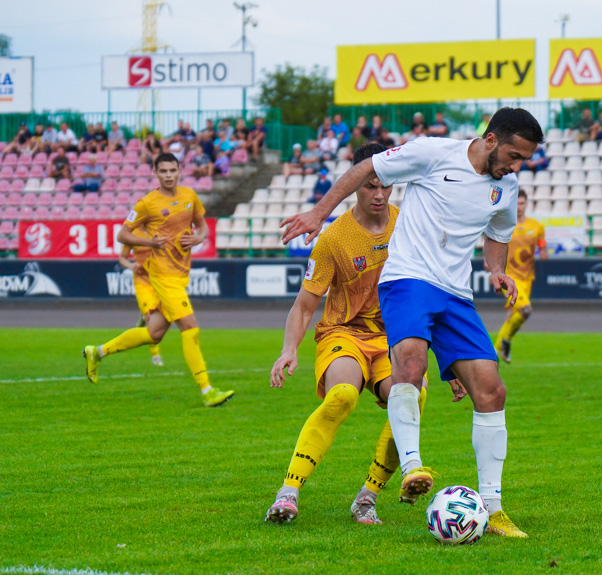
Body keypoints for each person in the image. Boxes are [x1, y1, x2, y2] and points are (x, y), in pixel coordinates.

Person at [280, 106, 545, 538]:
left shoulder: (507, 187)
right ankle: (412, 466)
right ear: (492, 140)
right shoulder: (433, 153)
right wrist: (319, 212)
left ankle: (494, 510)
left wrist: (496, 270)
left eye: (524, 160)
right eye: (515, 155)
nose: (517, 166)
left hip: (456, 292)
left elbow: (498, 235)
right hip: (409, 279)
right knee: (410, 365)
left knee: (492, 390)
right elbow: (366, 167)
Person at [266, 142, 436, 526]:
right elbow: (306, 304)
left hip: (391, 338)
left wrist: (451, 362)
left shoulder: (407, 224)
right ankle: (288, 492)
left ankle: (367, 496)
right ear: (355, 182)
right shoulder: (334, 238)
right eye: (369, 185)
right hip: (342, 333)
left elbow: (427, 293)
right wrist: (288, 349)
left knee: (412, 395)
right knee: (342, 395)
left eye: (385, 186)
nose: (378, 194)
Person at [82, 153, 234, 407]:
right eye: (163, 171)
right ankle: (207, 390)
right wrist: (148, 242)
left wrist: (199, 238)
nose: (168, 175)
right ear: (155, 173)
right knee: (190, 326)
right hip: (162, 276)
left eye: (172, 170)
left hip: (180, 274)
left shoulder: (189, 196)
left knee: (154, 334)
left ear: (179, 170)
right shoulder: (147, 204)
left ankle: (97, 352)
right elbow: (122, 234)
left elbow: (203, 226)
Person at [493, 190, 548, 363]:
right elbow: (494, 244)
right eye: (516, 203)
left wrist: (544, 252)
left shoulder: (537, 227)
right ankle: (506, 340)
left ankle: (496, 349)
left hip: (527, 278)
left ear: (527, 204)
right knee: (525, 310)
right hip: (508, 277)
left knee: (515, 316)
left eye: (522, 203)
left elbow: (543, 248)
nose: (519, 207)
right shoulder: (505, 224)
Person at [118, 229, 164, 367]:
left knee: (162, 316)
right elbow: (122, 258)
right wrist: (131, 265)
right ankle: (155, 355)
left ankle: (143, 318)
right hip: (142, 282)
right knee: (151, 318)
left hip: (158, 280)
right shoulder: (131, 233)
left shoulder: (157, 228)